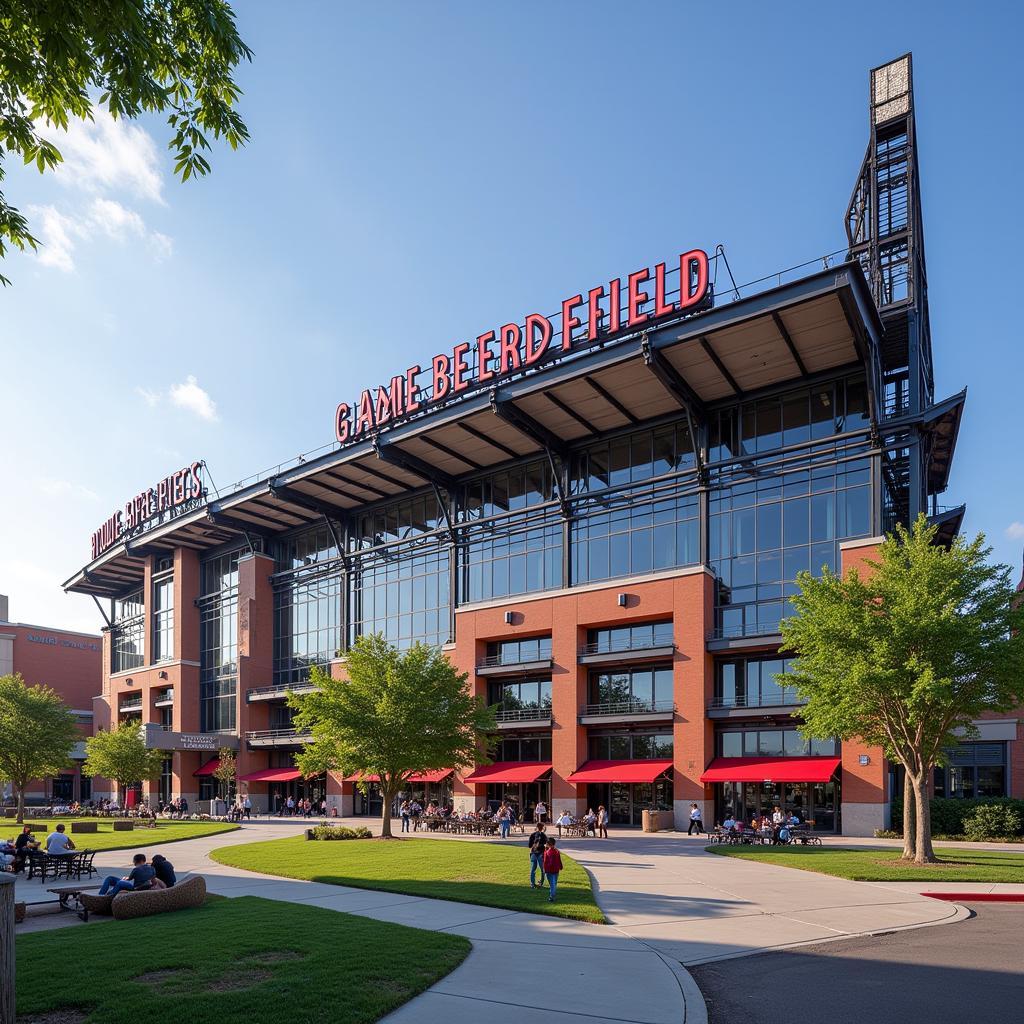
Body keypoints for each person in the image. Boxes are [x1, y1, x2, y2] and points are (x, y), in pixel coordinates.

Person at [542, 836, 563, 902]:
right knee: (554, 883)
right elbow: (559, 860)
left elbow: (546, 862)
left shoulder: (547, 852)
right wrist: (560, 866)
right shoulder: (556, 851)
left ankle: (552, 896)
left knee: (552, 884)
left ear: (548, 844)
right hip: (556, 870)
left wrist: (544, 869)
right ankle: (552, 895)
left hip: (549, 871)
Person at [527, 822, 547, 888]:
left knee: (533, 869)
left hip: (533, 853)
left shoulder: (532, 835)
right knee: (542, 869)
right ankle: (541, 883)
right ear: (543, 828)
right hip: (541, 853)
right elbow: (547, 844)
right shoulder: (543, 835)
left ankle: (532, 884)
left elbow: (529, 845)